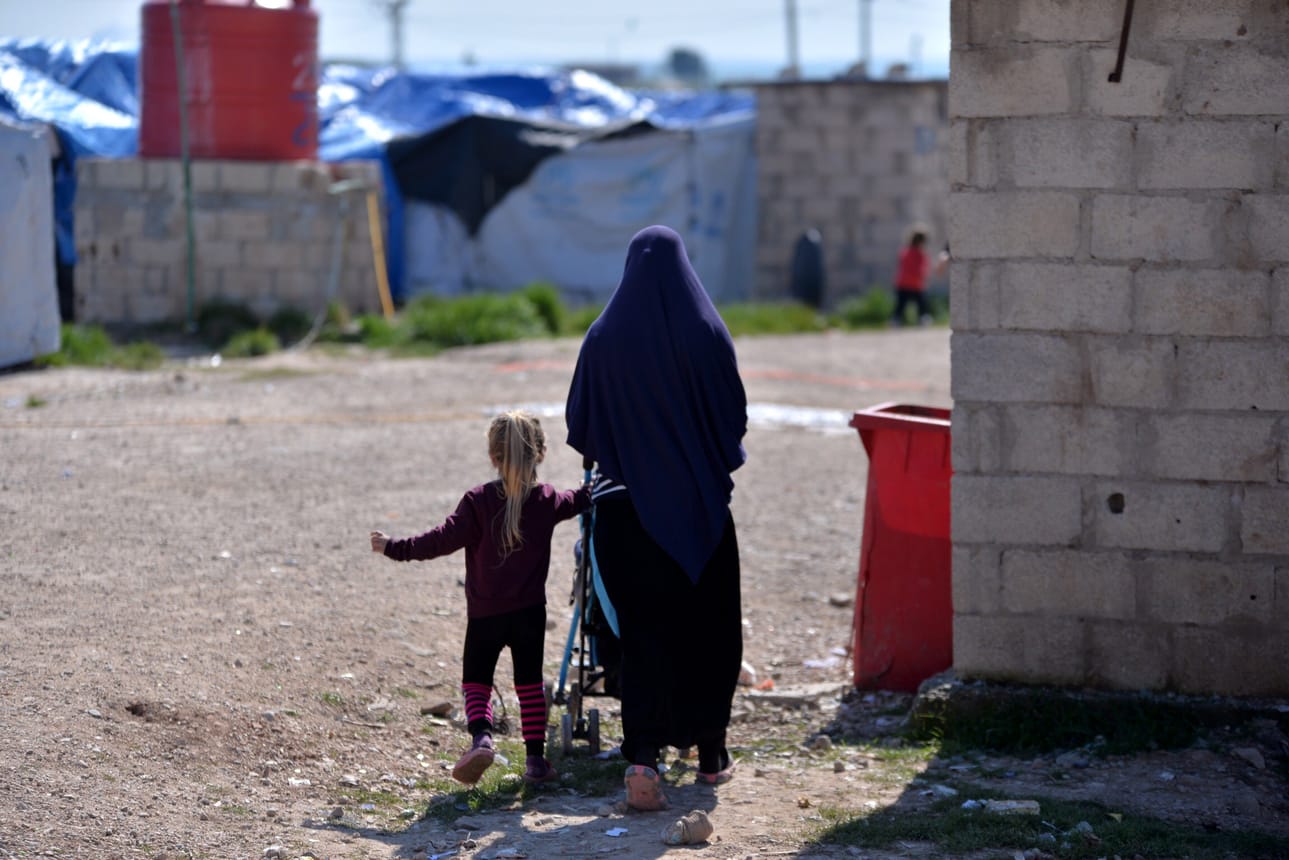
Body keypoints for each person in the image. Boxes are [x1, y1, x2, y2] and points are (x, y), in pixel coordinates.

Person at [565, 225, 748, 811]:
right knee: (711, 629)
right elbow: (733, 418)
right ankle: (712, 756)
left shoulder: (604, 335)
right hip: (700, 515)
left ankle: (643, 756)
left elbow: (580, 420)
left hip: (624, 515)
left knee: (643, 636)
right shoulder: (707, 332)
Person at [370, 410, 591, 786]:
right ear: (540, 453)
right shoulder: (548, 500)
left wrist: (394, 547)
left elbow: (438, 540)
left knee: (476, 680)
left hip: (486, 614)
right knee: (529, 684)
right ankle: (536, 761)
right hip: (529, 614)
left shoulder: (477, 502)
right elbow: (582, 498)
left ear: (493, 457)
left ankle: (482, 738)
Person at [891, 228, 949, 326]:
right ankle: (923, 319)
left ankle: (896, 320)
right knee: (921, 304)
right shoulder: (920, 254)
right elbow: (922, 269)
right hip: (916, 284)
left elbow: (902, 266)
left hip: (903, 283)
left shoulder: (905, 252)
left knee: (901, 304)